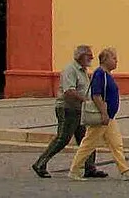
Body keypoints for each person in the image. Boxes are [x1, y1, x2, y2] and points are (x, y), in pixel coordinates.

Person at [70, 47, 129, 182]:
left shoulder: (107, 74)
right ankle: (74, 170)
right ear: (105, 60)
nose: (116, 61)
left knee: (116, 144)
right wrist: (103, 113)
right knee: (88, 144)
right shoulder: (100, 74)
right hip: (102, 117)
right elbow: (96, 95)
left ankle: (125, 171)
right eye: (114, 58)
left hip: (109, 117)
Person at [31, 44, 100, 179]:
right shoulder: (71, 69)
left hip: (78, 109)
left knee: (87, 139)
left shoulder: (83, 70)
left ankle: (90, 167)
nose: (92, 57)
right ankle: (40, 163)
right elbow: (69, 91)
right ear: (80, 56)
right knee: (63, 138)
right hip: (67, 109)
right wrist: (86, 100)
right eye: (89, 55)